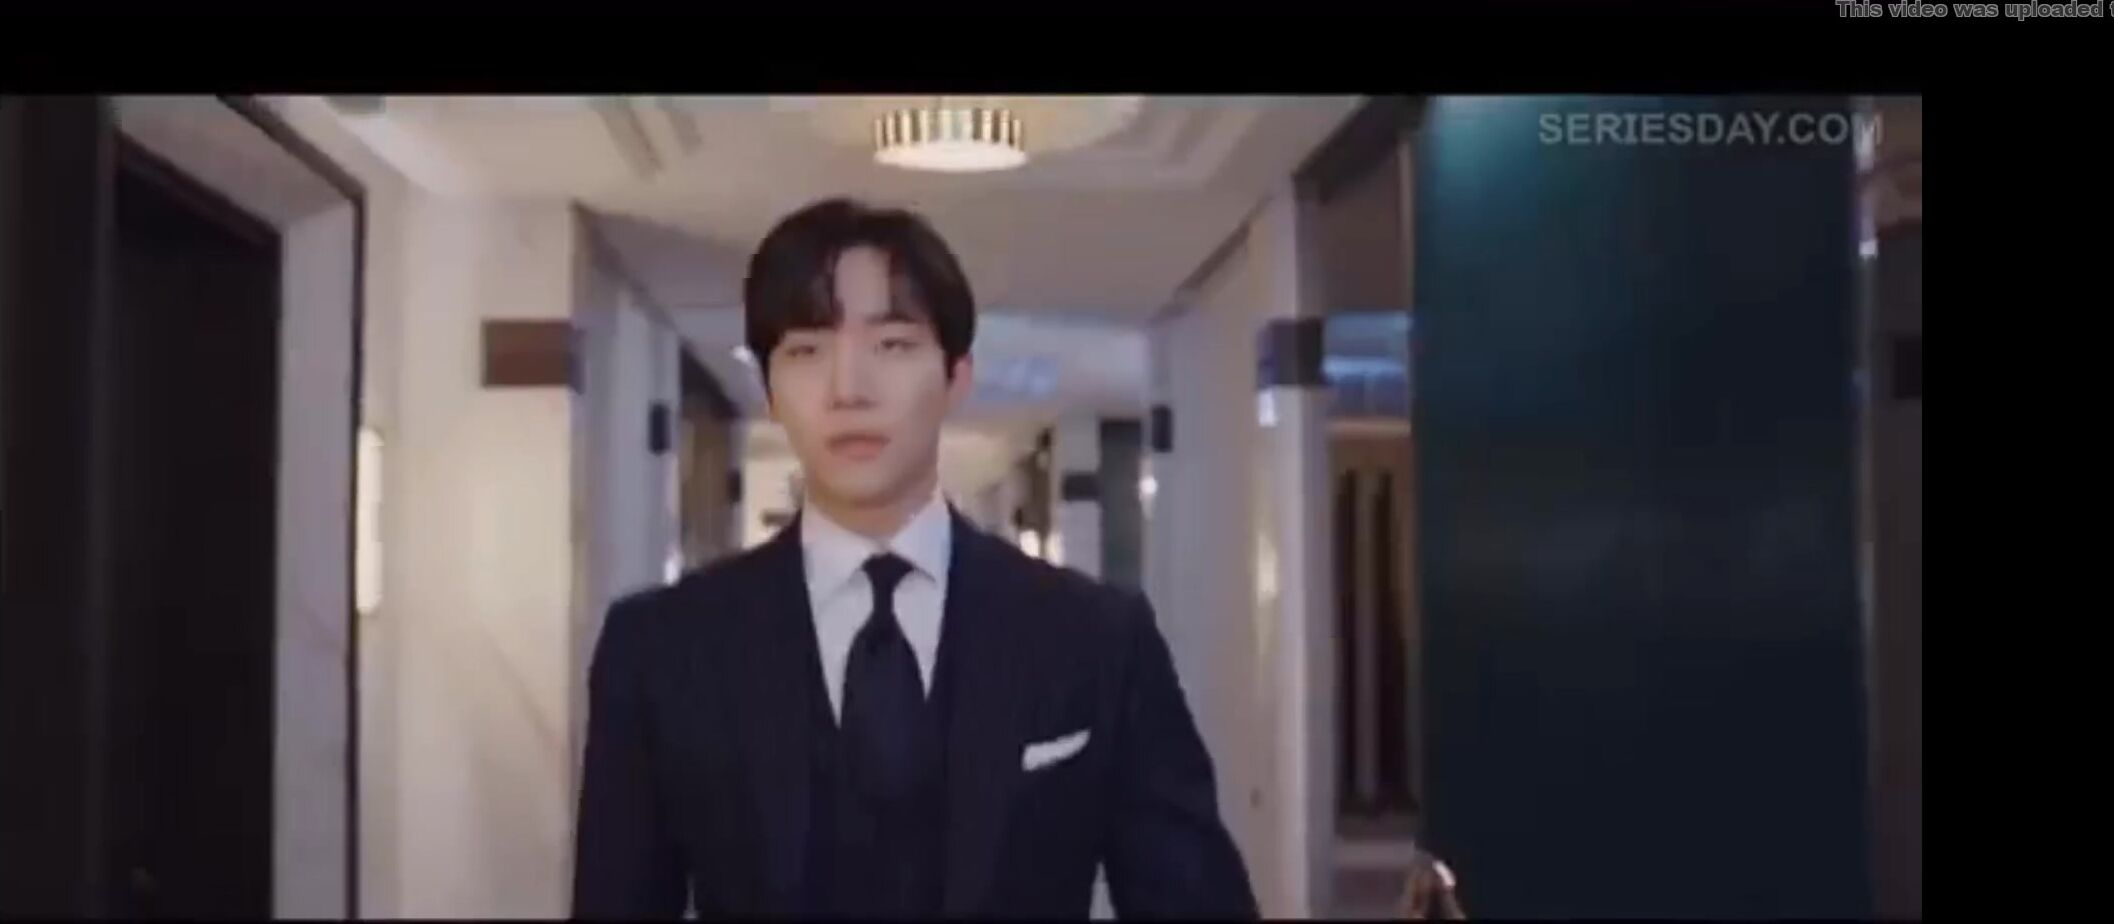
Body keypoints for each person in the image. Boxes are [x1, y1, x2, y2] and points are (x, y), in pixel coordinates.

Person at [571, 198, 1257, 918]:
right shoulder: (662, 648)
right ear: (769, 389)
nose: (849, 389)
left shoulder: (1097, 637)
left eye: (893, 345)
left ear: (956, 376)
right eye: (806, 350)